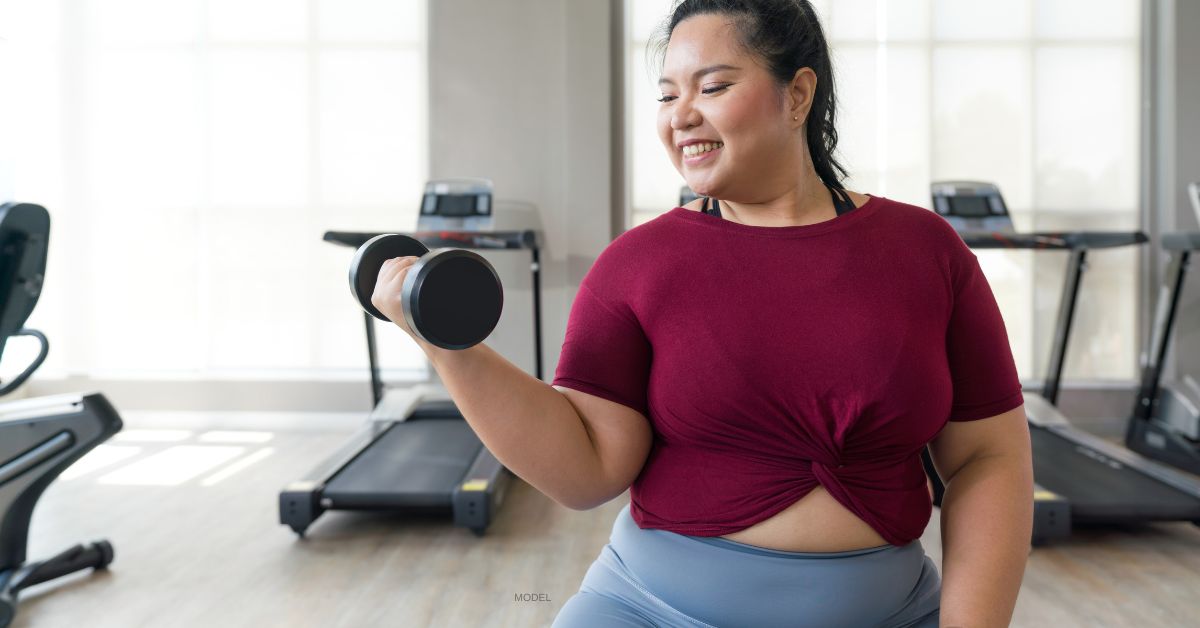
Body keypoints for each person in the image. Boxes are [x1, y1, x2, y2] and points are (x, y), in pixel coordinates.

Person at [371, 1, 1034, 625]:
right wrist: (447, 345)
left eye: (712, 87)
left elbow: (987, 457)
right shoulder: (636, 265)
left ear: (797, 94)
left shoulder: (924, 251)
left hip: (889, 612)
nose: (680, 115)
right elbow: (586, 470)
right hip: (650, 610)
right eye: (667, 95)